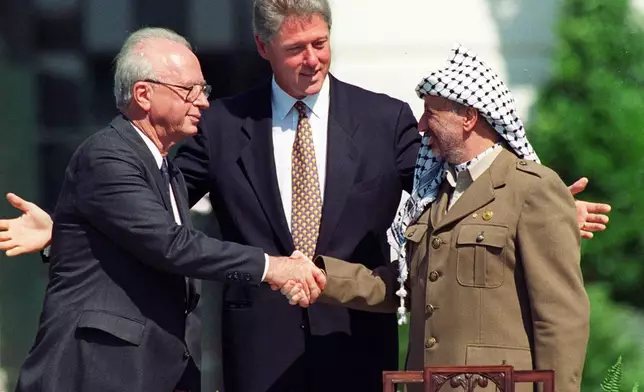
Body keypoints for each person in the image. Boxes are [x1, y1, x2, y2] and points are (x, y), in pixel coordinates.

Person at [0, 1, 610, 391]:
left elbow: (451, 188)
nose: (312, 59)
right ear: (264, 49)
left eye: (320, 42)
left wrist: (544, 209)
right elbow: (153, 212)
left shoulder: (385, 118)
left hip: (356, 339)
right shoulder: (221, 123)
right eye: (295, 48)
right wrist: (68, 227)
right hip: (260, 349)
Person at [10, 27, 324, 392]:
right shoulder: (107, 156)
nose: (203, 102)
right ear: (144, 94)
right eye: (190, 90)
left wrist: (59, 233)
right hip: (100, 369)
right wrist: (273, 267)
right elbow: (172, 245)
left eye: (204, 90)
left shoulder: (167, 169)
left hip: (157, 370)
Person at [284, 45, 590, 392]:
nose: (421, 125)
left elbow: (561, 319)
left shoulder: (531, 190)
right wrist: (322, 277)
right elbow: (406, 287)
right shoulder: (433, 193)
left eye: (431, 113)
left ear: (468, 118)